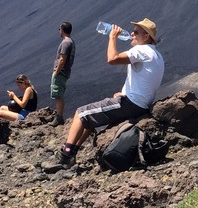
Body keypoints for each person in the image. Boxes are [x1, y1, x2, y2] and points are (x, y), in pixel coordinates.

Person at [57, 17, 164, 167]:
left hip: (132, 104)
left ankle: (66, 155)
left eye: (136, 32)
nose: (131, 34)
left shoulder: (142, 50)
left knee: (80, 113)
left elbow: (112, 59)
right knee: (91, 117)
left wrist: (112, 37)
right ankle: (73, 151)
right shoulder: (156, 54)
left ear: (146, 36)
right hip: (140, 104)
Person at [51, 22, 76, 124]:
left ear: (62, 29)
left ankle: (59, 117)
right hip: (64, 72)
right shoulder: (71, 42)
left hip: (61, 72)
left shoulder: (66, 43)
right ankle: (58, 115)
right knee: (58, 95)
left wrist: (56, 72)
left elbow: (62, 59)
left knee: (58, 95)